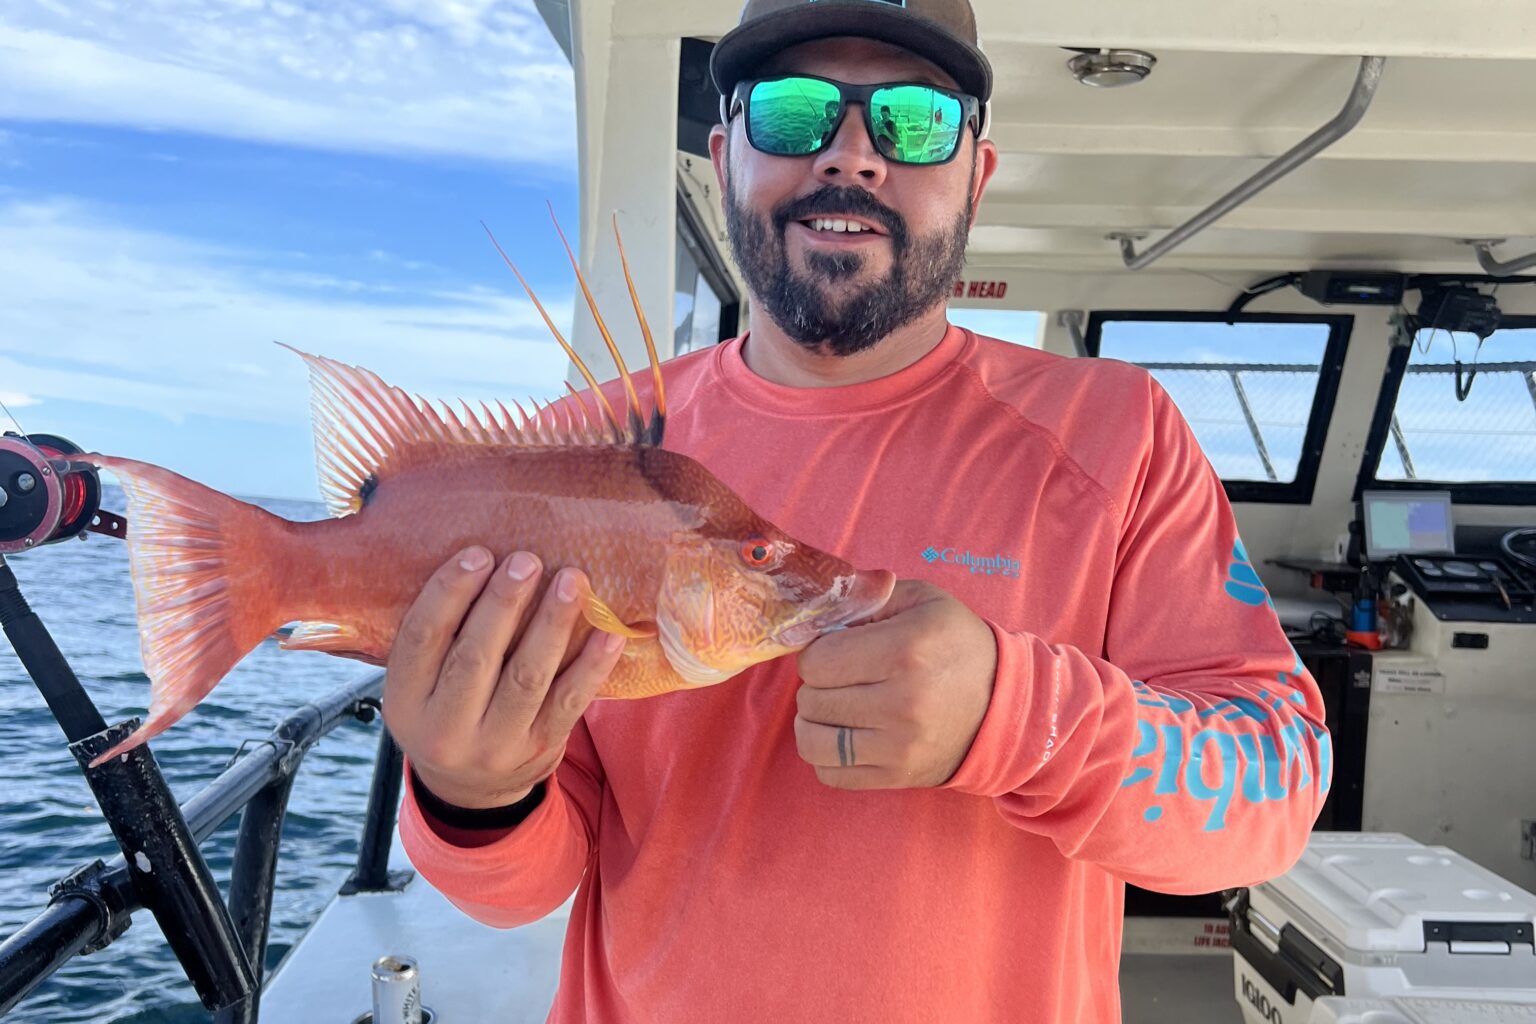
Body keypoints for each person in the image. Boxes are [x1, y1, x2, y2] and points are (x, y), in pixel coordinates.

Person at [387, 0, 1332, 1021]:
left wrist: (1012, 716)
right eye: (794, 113)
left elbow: (1272, 788)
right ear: (726, 152)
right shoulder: (588, 447)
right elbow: (530, 881)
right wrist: (470, 791)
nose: (851, 156)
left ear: (977, 171)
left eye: (915, 120)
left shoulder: (1120, 434)